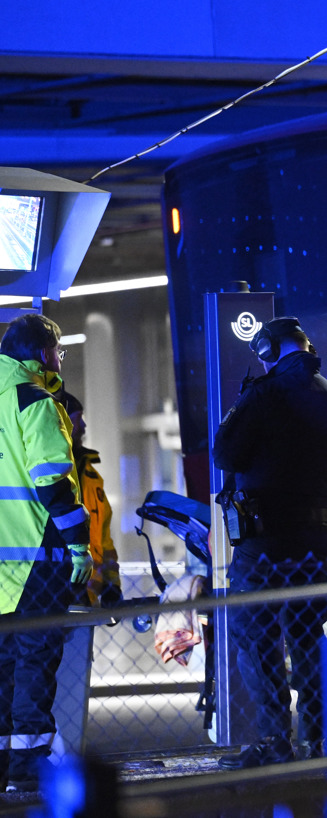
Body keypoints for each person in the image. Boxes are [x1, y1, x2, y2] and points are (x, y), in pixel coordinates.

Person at [213, 317, 327, 768]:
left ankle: (276, 739)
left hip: (264, 542)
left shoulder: (264, 394)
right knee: (308, 637)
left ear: (270, 349)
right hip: (317, 541)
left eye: (261, 353)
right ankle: (317, 739)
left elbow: (224, 454)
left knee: (255, 636)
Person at [0, 315, 89, 793]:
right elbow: (53, 481)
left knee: (2, 662)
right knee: (34, 658)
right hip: (34, 554)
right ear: (41, 353)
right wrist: (79, 545)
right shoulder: (34, 399)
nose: (59, 360)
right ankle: (30, 769)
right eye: (58, 351)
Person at [54, 391, 121, 609]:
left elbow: (104, 539)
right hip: (52, 595)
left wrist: (112, 584)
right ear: (61, 422)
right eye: (77, 418)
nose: (83, 426)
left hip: (86, 599)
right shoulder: (46, 474)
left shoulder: (92, 477)